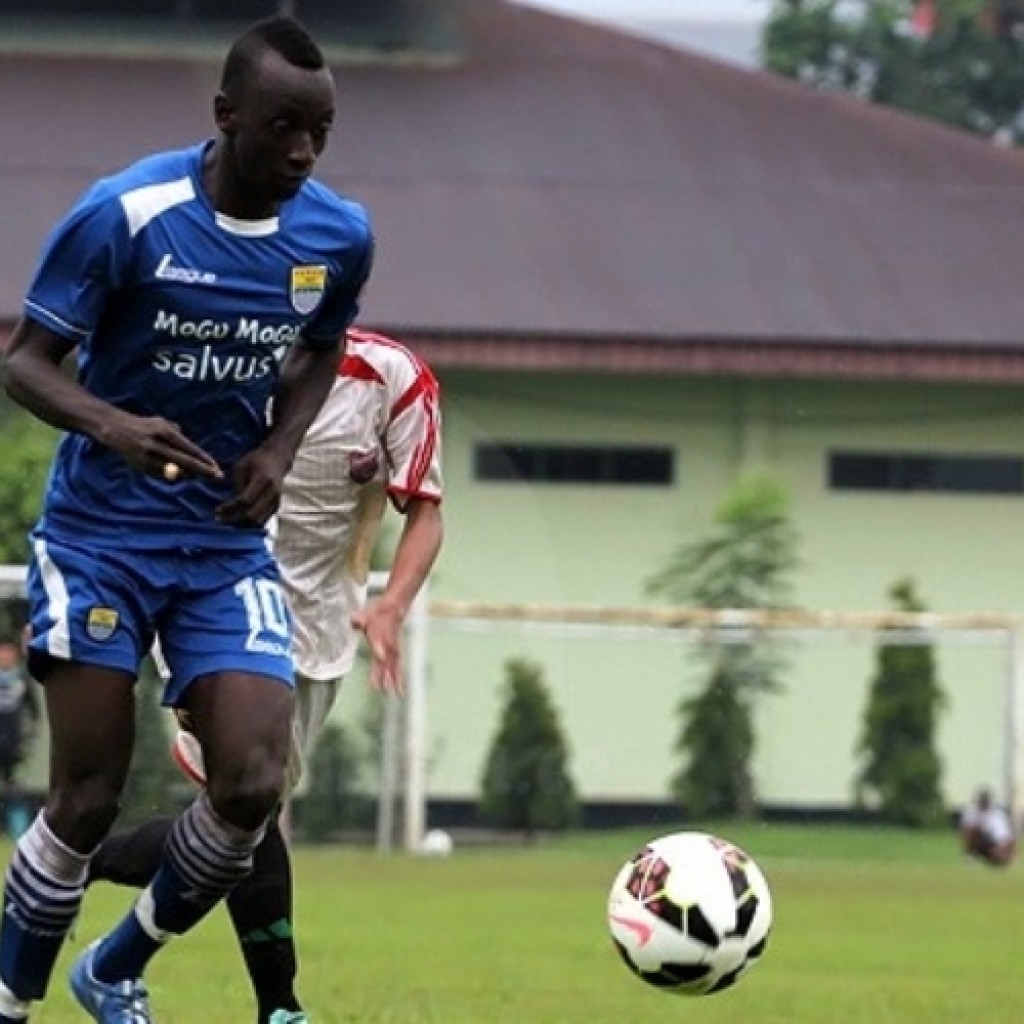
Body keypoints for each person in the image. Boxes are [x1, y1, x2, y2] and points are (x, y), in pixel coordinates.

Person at [0, 15, 374, 1024]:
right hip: (100, 537)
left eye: (321, 132)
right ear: (226, 117)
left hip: (219, 540)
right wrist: (116, 425)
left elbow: (321, 351)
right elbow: (25, 362)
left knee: (252, 782)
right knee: (84, 799)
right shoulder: (126, 213)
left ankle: (115, 965)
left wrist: (279, 449)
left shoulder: (337, 234)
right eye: (284, 127)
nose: (303, 152)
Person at [88, 325, 445, 1024]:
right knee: (250, 807)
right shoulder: (213, 356)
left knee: (239, 823)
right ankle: (279, 1008)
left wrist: (392, 606)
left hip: (320, 630)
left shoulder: (393, 377)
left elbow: (426, 511)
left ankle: (82, 883)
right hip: (210, 605)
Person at [0, 635, 39, 838]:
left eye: (9, 652)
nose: (5, 656)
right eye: (2, 652)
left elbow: (34, 712)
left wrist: (29, 740)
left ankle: (18, 833)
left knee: (15, 791)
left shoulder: (21, 680)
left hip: (13, 746)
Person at [960, 787, 1016, 867]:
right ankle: (971, 856)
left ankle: (1002, 857)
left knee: (1000, 857)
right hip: (979, 839)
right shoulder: (971, 812)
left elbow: (1004, 835)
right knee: (971, 830)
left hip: (994, 842)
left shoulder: (997, 814)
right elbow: (965, 830)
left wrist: (1001, 848)